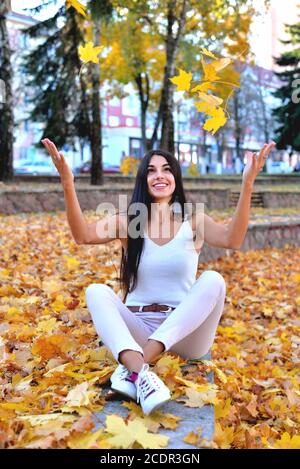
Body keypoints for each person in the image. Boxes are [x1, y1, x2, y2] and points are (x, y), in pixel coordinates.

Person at [41, 139, 276, 415]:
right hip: (138, 328)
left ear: (175, 178)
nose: (159, 175)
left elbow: (232, 239)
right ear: (144, 179)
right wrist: (67, 181)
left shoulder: (194, 221)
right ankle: (143, 372)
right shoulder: (129, 221)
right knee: (95, 291)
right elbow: (83, 236)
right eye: (151, 171)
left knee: (213, 279)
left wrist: (247, 184)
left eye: (166, 169)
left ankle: (134, 367)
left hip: (185, 336)